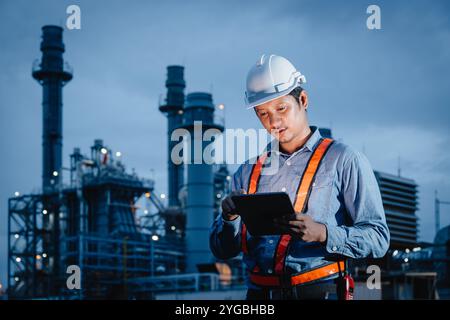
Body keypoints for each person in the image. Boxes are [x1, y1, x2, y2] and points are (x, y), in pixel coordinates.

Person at [209, 54, 390, 300]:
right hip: (259, 295)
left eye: (281, 108)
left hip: (319, 292)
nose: (273, 121)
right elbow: (222, 251)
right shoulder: (246, 171)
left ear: (302, 100)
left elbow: (378, 238)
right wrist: (228, 218)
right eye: (263, 113)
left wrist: (324, 233)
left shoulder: (344, 160)